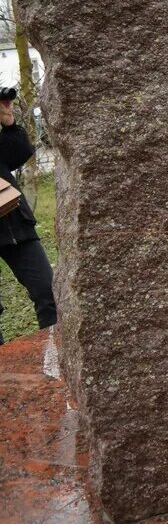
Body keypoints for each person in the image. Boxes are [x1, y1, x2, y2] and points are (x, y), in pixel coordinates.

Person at [0, 94, 56, 345]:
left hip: (14, 222)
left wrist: (9, 123)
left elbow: (18, 154)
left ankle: (57, 356)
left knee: (48, 290)